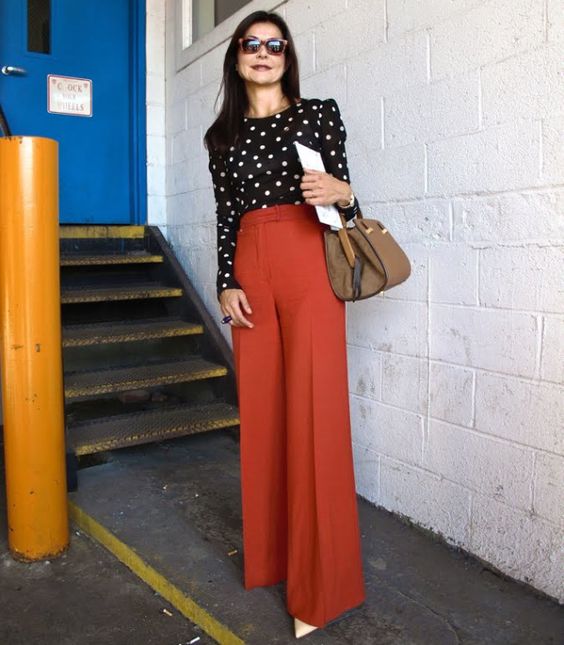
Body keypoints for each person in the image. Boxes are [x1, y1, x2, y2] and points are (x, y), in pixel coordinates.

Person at [204, 10, 366, 638]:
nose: (264, 53)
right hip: (251, 266)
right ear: (238, 57)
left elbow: (351, 200)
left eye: (276, 45)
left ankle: (319, 587)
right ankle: (271, 560)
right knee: (265, 416)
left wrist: (343, 192)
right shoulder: (222, 134)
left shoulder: (318, 113)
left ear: (288, 56)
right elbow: (225, 215)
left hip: (308, 260)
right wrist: (225, 282)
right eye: (253, 44)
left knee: (315, 413)